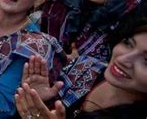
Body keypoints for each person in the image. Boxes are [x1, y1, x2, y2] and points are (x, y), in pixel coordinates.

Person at [15, 23, 147, 118]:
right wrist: (38, 98)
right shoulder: (86, 65)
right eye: (128, 43)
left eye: (146, 60)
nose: (123, 59)